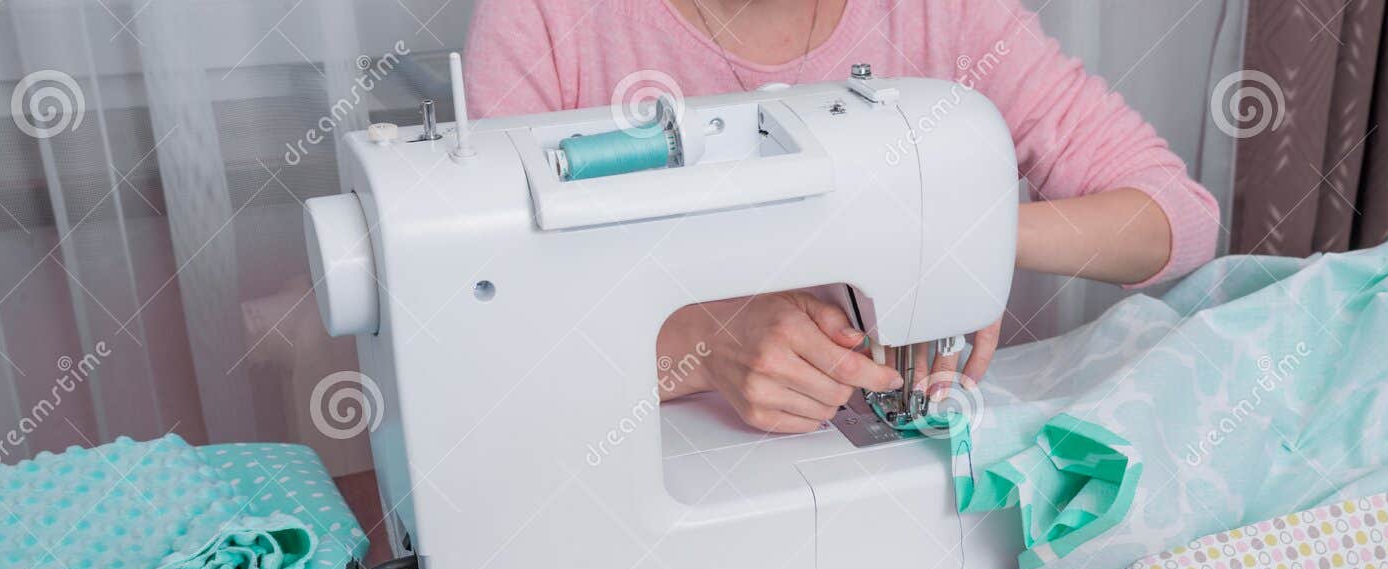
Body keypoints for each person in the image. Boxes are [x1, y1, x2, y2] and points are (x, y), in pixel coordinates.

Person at [466, 0, 1219, 433]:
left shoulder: (942, 12)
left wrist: (965, 243)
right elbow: (488, 333)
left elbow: (1174, 218)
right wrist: (699, 345)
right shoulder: (548, 16)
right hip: (626, 474)